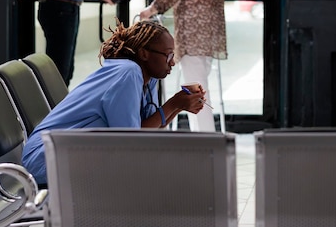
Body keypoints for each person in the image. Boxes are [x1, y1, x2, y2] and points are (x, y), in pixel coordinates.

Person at [22, 19, 207, 186]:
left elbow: (148, 133)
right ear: (144, 54)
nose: (172, 62)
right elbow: (130, 141)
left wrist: (179, 105)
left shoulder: (148, 77)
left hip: (71, 152)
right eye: (168, 55)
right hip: (47, 158)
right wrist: (174, 105)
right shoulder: (128, 72)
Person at [139, 0, 227, 132]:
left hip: (193, 32)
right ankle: (202, 137)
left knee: (195, 90)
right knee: (199, 83)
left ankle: (205, 140)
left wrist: (152, 9)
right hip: (209, 31)